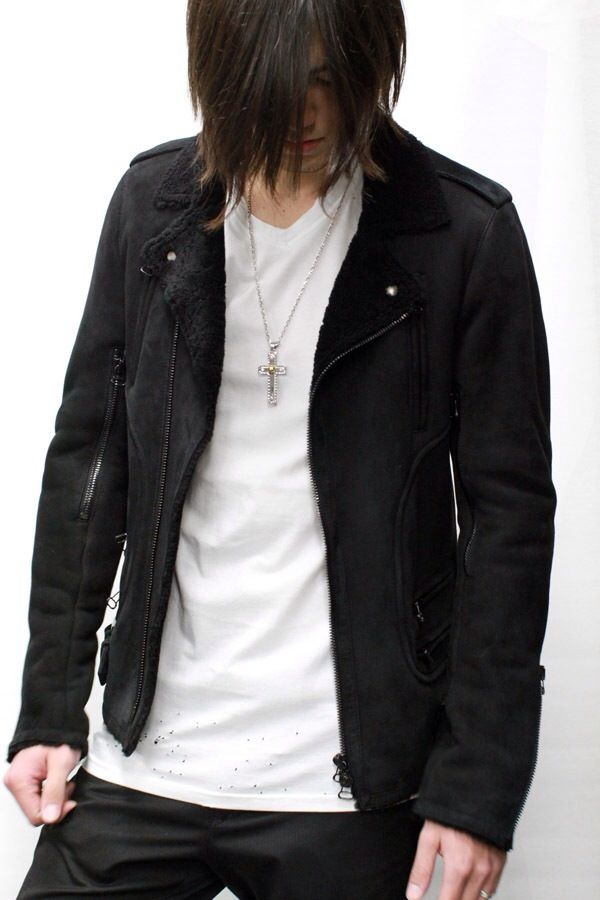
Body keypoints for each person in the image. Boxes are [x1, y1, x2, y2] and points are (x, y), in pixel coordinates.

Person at [4, 1, 557, 898]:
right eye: (277, 78)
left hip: (349, 781)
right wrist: (48, 712)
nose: (307, 110)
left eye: (331, 77)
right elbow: (87, 465)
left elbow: (509, 524)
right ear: (221, 69)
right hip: (146, 760)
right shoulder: (153, 209)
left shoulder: (460, 231)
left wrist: (478, 789)